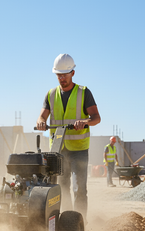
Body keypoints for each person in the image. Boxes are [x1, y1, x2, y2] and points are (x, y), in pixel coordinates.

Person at [36, 53, 101, 220]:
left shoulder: (83, 93)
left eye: (64, 75)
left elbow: (96, 118)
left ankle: (79, 222)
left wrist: (85, 122)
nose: (61, 78)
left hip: (79, 150)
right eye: (58, 75)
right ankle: (66, 222)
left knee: (79, 189)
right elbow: (41, 116)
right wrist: (41, 121)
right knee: (61, 188)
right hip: (58, 151)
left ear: (73, 73)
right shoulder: (51, 94)